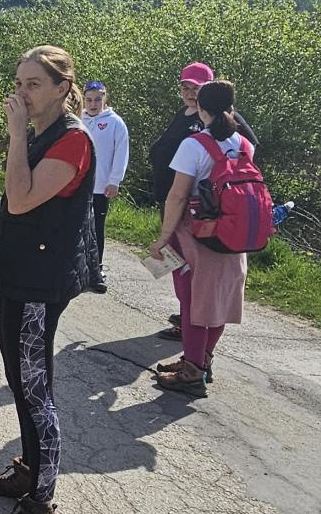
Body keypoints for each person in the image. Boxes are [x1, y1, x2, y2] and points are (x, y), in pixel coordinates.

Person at [0, 46, 95, 514]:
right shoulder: (43, 134)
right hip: (18, 276)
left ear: (62, 89)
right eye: (18, 83)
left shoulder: (72, 141)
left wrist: (16, 136)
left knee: (35, 390)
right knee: (20, 381)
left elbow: (22, 199)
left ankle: (40, 511)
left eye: (33, 84)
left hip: (38, 285)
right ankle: (30, 469)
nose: (21, 93)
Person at [146, 78, 249, 397]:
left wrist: (164, 237)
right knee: (217, 300)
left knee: (191, 302)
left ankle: (192, 373)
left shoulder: (194, 145)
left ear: (201, 109)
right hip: (233, 233)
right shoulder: (244, 144)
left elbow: (177, 196)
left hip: (196, 233)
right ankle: (201, 361)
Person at [80, 82, 129, 295]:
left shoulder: (115, 123)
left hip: (100, 186)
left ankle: (96, 268)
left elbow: (121, 152)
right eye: (89, 100)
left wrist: (115, 180)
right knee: (75, 225)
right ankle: (76, 266)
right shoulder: (78, 119)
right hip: (79, 184)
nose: (93, 104)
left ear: (105, 99)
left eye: (98, 100)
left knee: (96, 227)